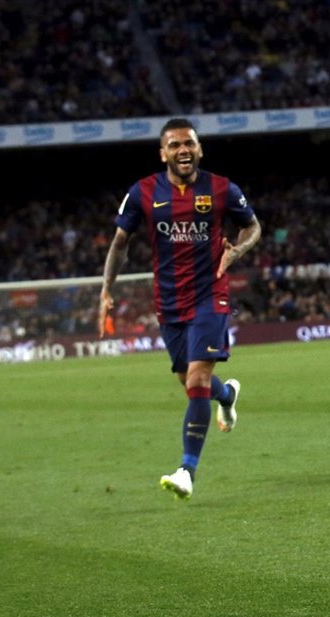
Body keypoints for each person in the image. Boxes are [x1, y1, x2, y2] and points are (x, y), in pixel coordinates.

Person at [98, 117, 261, 500]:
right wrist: (106, 289)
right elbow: (120, 242)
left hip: (211, 295)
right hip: (169, 301)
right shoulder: (142, 192)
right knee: (190, 382)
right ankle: (227, 396)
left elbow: (253, 226)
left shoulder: (222, 188)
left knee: (197, 381)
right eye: (174, 145)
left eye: (189, 143)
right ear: (163, 153)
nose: (183, 150)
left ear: (199, 149)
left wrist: (238, 250)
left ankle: (187, 470)